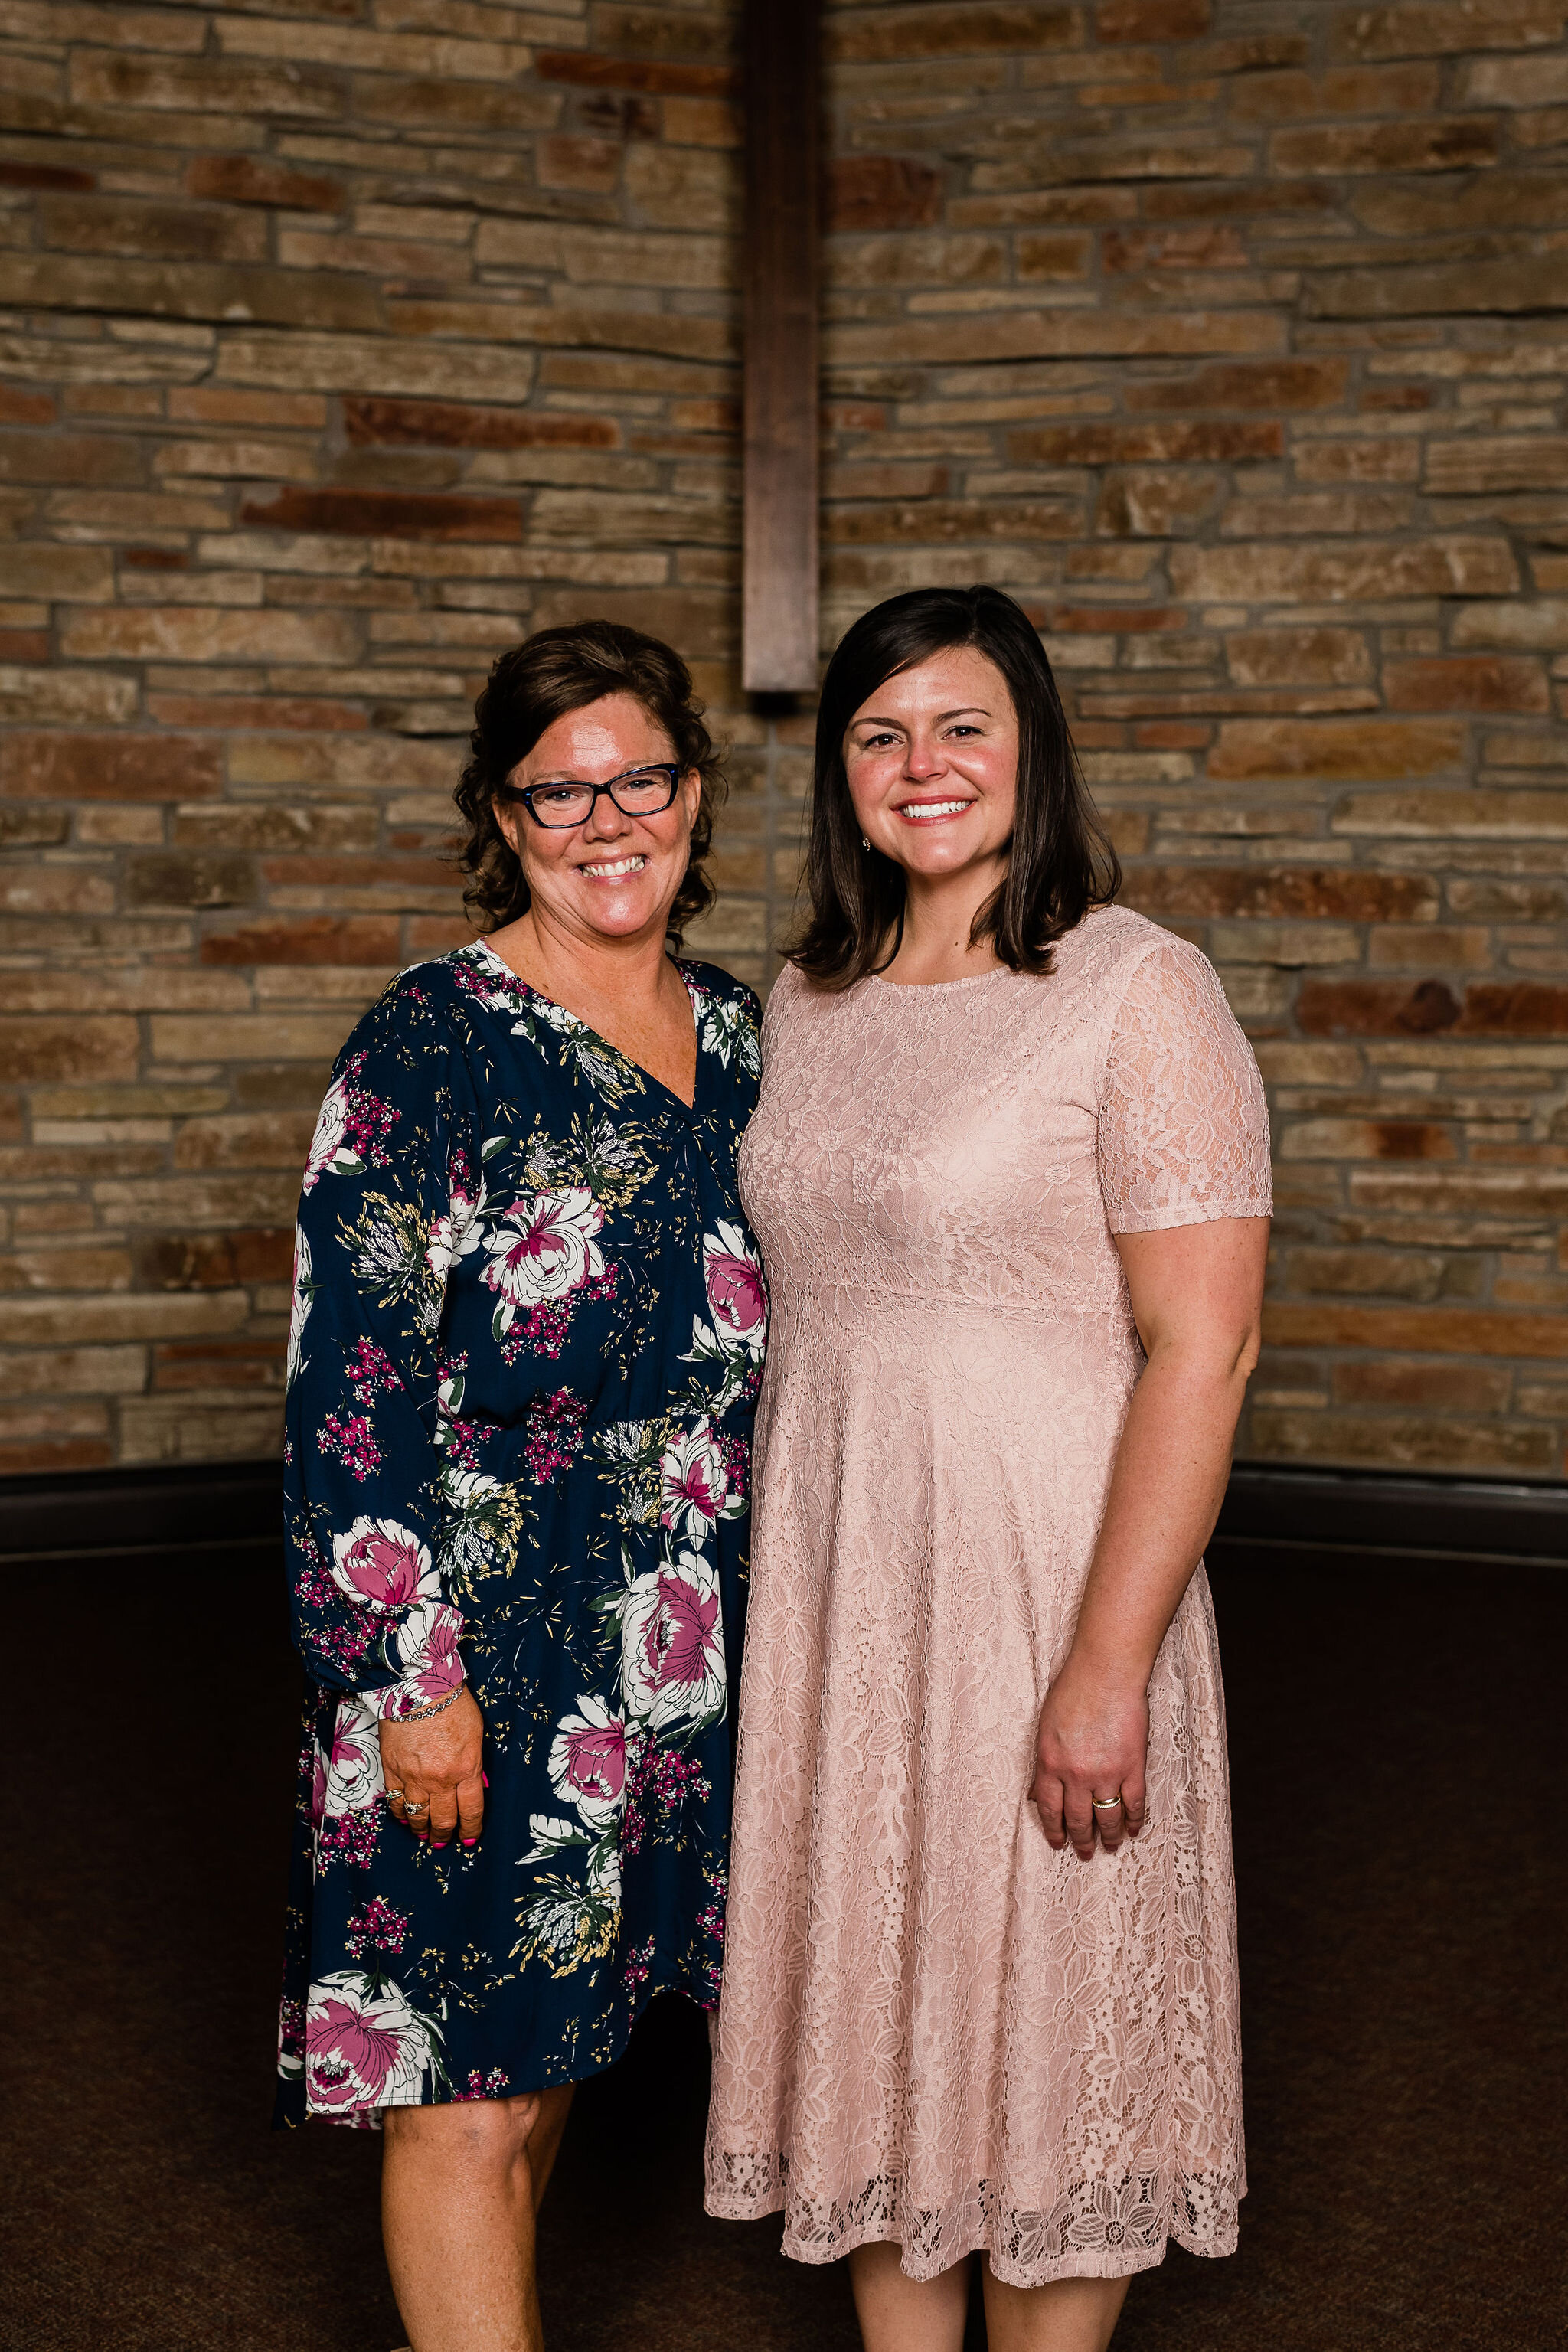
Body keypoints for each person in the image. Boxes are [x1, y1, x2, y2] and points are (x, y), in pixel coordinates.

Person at [705, 585, 1272, 2352]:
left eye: (961, 725)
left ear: (1030, 747)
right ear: (840, 777)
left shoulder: (1133, 985)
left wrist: (1108, 1666)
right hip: (845, 1575)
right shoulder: (807, 996)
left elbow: (1207, 1345)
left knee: (1044, 2016)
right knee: (885, 2009)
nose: (920, 765)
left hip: (1047, 1578)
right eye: (879, 734)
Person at [276, 620, 769, 2352]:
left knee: (549, 2055)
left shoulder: (741, 1034)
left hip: (679, 1629)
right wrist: (409, 1687)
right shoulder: (428, 1042)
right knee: (463, 2093)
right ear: (502, 816)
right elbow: (350, 1386)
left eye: (637, 776)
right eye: (556, 792)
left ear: (693, 794)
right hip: (478, 1632)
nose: (603, 817)